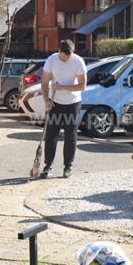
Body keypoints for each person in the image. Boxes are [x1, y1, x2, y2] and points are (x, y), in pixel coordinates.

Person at [40, 39, 87, 178]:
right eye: (63, 56)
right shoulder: (51, 60)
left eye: (69, 56)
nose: (66, 59)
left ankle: (68, 167)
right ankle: (48, 166)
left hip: (73, 103)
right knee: (51, 136)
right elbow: (44, 83)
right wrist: (46, 100)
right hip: (55, 103)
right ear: (59, 50)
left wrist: (62, 87)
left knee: (70, 136)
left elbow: (82, 86)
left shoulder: (78, 61)